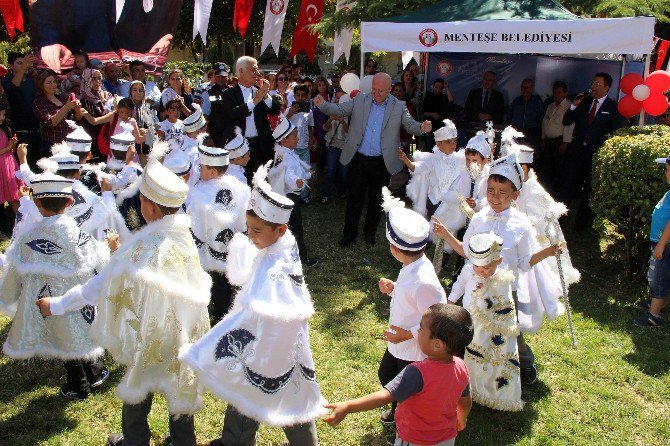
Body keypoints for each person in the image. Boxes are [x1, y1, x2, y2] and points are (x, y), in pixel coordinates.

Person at [37, 157, 212, 446]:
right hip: (184, 335)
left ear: (151, 207)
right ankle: (182, 441)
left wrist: (56, 305)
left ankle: (134, 441)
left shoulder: (138, 250)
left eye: (140, 198)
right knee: (179, 388)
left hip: (147, 336)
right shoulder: (184, 237)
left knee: (137, 390)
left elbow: (96, 287)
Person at [180, 163, 327, 446]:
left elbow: (245, 317)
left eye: (256, 230)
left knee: (252, 387)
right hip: (288, 343)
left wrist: (205, 347)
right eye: (248, 228)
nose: (250, 235)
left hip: (268, 343)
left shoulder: (271, 270)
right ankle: (248, 439)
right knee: (289, 391)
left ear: (281, 229)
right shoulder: (285, 245)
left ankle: (238, 441)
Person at [433, 152, 564, 385]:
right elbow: (466, 251)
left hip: (504, 290)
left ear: (516, 194)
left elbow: (524, 262)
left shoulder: (521, 225)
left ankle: (522, 361)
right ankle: (471, 368)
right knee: (473, 327)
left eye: (503, 193)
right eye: (491, 191)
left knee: (510, 331)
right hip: (477, 285)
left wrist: (548, 251)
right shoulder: (479, 218)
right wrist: (446, 235)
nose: (495, 197)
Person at [1, 171, 110, 400]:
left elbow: (13, 272)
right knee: (84, 333)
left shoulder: (28, 239)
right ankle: (95, 375)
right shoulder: (79, 236)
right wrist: (109, 248)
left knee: (64, 340)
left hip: (48, 301)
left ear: (37, 203)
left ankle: (78, 386)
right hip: (80, 300)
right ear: (70, 202)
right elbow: (101, 260)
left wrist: (8, 297)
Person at [323, 303, 473, 446]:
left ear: (437, 345)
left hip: (414, 438)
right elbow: (465, 401)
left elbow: (384, 397)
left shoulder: (417, 372)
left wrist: (348, 406)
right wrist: (462, 418)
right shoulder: (462, 367)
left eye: (421, 329)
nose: (418, 332)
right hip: (446, 439)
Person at [313, 72, 432, 247]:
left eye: (381, 91)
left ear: (390, 89)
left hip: (382, 161)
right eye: (374, 90)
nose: (376, 94)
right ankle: (349, 235)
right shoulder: (361, 99)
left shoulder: (399, 106)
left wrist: (422, 127)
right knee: (355, 198)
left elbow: (410, 125)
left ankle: (370, 233)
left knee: (377, 200)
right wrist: (323, 105)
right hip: (358, 158)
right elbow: (340, 109)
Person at [375, 187, 447, 430]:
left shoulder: (424, 280)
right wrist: (394, 288)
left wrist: (408, 334)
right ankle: (398, 411)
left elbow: (438, 318)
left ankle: (404, 422)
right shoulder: (412, 266)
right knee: (387, 376)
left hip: (413, 348)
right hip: (399, 342)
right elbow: (410, 295)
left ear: (394, 249)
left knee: (407, 389)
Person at [448, 232, 524, 411]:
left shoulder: (503, 279)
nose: (481, 271)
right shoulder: (469, 270)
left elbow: (502, 305)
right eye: (477, 267)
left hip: (490, 329)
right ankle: (464, 386)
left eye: (486, 268)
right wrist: (450, 301)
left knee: (487, 356)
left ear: (498, 261)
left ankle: (487, 391)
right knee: (466, 351)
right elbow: (459, 285)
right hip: (468, 320)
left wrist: (486, 292)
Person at [188, 140, 250, 323]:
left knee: (215, 286)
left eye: (202, 167)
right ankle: (229, 315)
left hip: (209, 254)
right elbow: (246, 221)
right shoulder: (241, 188)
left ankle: (218, 318)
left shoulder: (198, 194)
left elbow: (194, 225)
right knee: (229, 285)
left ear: (213, 171)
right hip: (233, 250)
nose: (199, 170)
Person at [560, 72, 626, 230]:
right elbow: (567, 120)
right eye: (593, 83)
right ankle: (559, 218)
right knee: (568, 185)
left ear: (607, 87)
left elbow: (616, 132)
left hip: (595, 155)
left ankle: (581, 224)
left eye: (597, 84)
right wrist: (574, 105)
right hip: (577, 153)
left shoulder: (613, 107)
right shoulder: (584, 102)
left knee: (589, 190)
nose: (593, 86)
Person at [219, 56, 281, 181]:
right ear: (241, 71)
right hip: (240, 148)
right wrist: (256, 100)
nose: (258, 73)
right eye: (253, 70)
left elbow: (274, 111)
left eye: (257, 69)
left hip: (260, 145)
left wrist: (265, 95)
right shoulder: (228, 94)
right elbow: (234, 113)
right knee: (241, 180)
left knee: (261, 182)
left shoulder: (259, 91)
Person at [268, 117, 317, 266]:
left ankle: (285, 254)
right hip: (289, 198)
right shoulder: (285, 157)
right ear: (284, 139)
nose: (298, 138)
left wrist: (307, 175)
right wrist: (296, 182)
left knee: (286, 228)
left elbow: (294, 171)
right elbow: (289, 175)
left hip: (283, 197)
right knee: (296, 229)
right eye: (294, 136)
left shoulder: (285, 153)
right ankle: (301, 257)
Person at [633, 155, 670, 326]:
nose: (665, 172)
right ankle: (657, 303)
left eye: (667, 169)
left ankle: (654, 315)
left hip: (665, 245)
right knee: (656, 274)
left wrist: (662, 244)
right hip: (660, 243)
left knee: (659, 277)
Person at [402, 119, 465, 220]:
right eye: (448, 142)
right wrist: (405, 160)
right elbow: (418, 167)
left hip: (449, 202)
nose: (453, 145)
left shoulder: (458, 158)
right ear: (439, 144)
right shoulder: (431, 159)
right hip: (434, 201)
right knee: (431, 224)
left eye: (455, 142)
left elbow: (473, 160)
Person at [1, 52, 41, 169]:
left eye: (25, 62)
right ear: (11, 65)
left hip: (36, 131)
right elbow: (13, 89)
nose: (24, 65)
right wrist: (24, 67)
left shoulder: (30, 81)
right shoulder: (6, 80)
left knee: (37, 168)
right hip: (19, 132)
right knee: (22, 168)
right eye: (19, 63)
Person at [33, 69, 86, 158]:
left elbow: (78, 118)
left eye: (54, 82)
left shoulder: (63, 98)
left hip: (71, 143)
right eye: (49, 83)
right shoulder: (39, 102)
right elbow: (51, 122)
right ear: (41, 85)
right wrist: (67, 107)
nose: (53, 85)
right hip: (52, 146)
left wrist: (77, 109)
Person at [541, 81, 574, 195]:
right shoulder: (550, 105)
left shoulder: (569, 106)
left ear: (565, 93)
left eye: (559, 92)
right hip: (548, 140)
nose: (557, 95)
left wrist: (565, 142)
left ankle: (556, 193)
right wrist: (544, 138)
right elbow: (545, 123)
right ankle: (547, 191)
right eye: (555, 92)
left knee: (558, 168)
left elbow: (569, 125)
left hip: (559, 141)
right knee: (547, 167)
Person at [284, 84, 314, 204]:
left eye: (303, 95)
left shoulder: (309, 111)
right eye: (297, 95)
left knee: (305, 170)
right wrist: (290, 113)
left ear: (307, 97)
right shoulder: (289, 110)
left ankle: (304, 196)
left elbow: (310, 127)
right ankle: (293, 194)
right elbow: (282, 124)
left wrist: (311, 141)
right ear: (294, 96)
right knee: (294, 171)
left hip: (305, 147)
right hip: (292, 148)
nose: (300, 98)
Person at [320, 90, 350, 204]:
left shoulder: (351, 113)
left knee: (344, 172)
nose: (339, 100)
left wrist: (343, 122)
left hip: (346, 147)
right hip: (333, 144)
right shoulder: (330, 110)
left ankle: (342, 191)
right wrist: (330, 119)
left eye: (341, 98)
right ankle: (325, 194)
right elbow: (324, 128)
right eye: (337, 98)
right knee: (331, 170)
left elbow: (351, 132)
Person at [79, 68, 113, 159]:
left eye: (99, 78)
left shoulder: (108, 96)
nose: (97, 81)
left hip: (108, 139)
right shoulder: (82, 101)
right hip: (91, 141)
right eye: (93, 78)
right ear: (86, 80)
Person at [508, 78, 544, 155]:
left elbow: (541, 119)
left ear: (531, 88)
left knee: (528, 156)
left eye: (526, 87)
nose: (523, 89)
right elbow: (509, 117)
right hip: (516, 133)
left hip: (531, 134)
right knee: (514, 155)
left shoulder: (537, 102)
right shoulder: (516, 101)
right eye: (522, 87)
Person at [128, 81, 158, 167]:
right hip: (130, 142)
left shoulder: (149, 107)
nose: (138, 93)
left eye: (141, 90)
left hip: (147, 140)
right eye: (135, 90)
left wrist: (148, 131)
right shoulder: (126, 106)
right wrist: (136, 131)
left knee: (145, 164)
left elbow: (157, 124)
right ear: (130, 92)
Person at [422, 78, 455, 150]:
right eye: (436, 87)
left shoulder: (443, 96)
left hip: (442, 128)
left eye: (440, 88)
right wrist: (432, 114)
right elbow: (423, 112)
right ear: (433, 87)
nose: (438, 90)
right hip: (431, 128)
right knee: (430, 149)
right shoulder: (429, 96)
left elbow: (451, 100)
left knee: (441, 150)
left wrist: (446, 88)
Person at [0, 102, 21, 214]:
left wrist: (12, 144)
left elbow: (11, 150)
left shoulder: (4, 129)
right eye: (2, 114)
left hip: (9, 164)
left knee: (16, 194)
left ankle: (20, 222)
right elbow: (6, 149)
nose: (3, 117)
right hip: (2, 166)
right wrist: (7, 148)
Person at [392, 82, 418, 155]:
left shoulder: (408, 105)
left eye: (400, 91)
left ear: (403, 92)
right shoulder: (388, 104)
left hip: (404, 139)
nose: (397, 92)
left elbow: (411, 122)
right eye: (396, 90)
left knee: (403, 161)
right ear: (393, 91)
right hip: (391, 139)